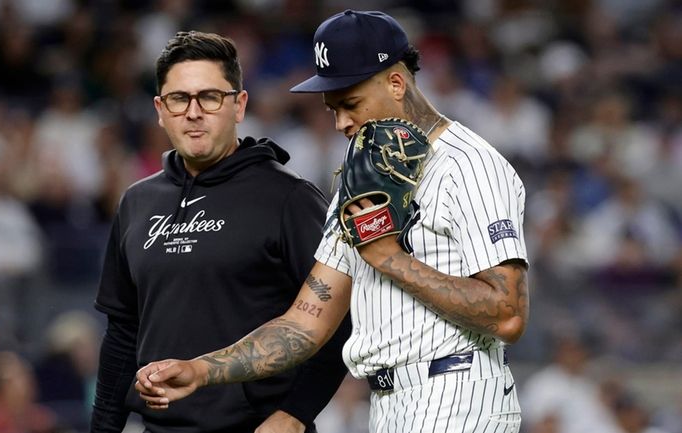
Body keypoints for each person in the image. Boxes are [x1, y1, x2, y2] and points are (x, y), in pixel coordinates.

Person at [135, 10, 530, 433]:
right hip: (390, 404)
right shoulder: (363, 176)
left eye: (351, 104)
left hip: (460, 393)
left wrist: (387, 257)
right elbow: (306, 323)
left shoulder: (469, 166)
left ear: (396, 83)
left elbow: (507, 314)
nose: (341, 123)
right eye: (332, 109)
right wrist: (201, 371)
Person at [90, 31, 350, 433]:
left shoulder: (289, 199)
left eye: (210, 97)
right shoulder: (136, 202)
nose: (194, 112)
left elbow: (338, 319)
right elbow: (123, 333)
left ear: (239, 105)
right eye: (179, 99)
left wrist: (296, 413)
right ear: (160, 109)